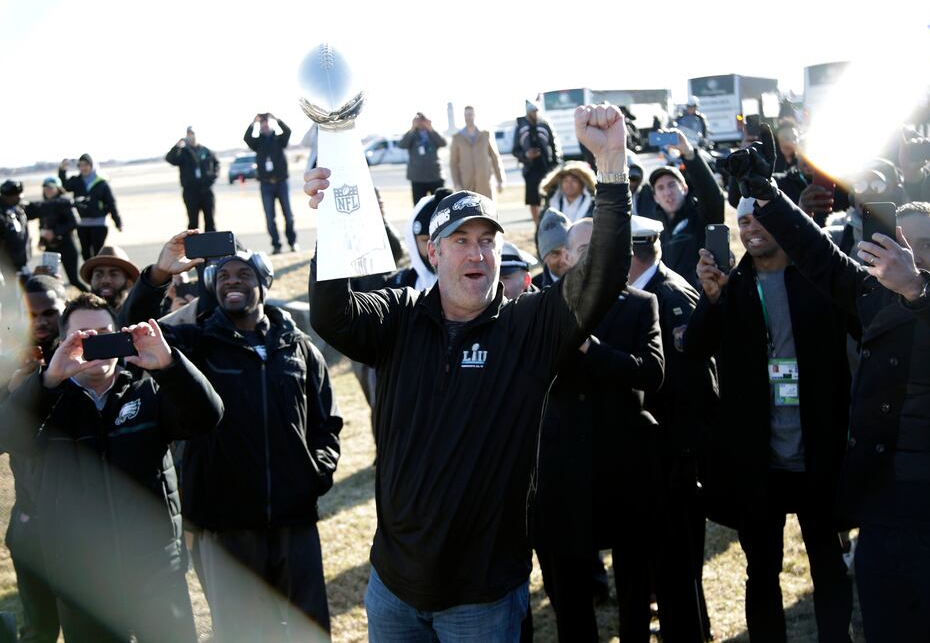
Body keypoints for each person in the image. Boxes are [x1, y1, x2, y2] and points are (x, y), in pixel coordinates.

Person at [304, 104, 632, 641]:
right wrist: (333, 220)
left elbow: (601, 275)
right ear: (433, 252)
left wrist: (612, 164)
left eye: (487, 240)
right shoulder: (399, 318)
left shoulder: (529, 329)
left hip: (481, 599)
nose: (476, 253)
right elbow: (332, 315)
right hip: (393, 591)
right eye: (460, 240)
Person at [733, 127, 930, 641]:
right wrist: (768, 195)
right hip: (884, 508)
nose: (912, 256)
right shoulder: (874, 291)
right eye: (902, 246)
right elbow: (816, 254)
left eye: (926, 247)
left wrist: (918, 288)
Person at [121, 235, 343, 642]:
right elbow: (131, 334)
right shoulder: (195, 345)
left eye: (244, 274)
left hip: (295, 523)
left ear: (264, 282)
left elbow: (326, 424)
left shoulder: (299, 348)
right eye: (222, 275)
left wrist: (316, 475)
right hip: (226, 528)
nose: (231, 281)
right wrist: (157, 276)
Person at [0, 294, 223, 642]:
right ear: (63, 343)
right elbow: (9, 437)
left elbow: (207, 416)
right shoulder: (46, 400)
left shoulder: (145, 389)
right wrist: (48, 381)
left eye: (105, 334)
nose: (98, 345)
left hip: (156, 571)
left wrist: (169, 365)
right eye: (85, 337)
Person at [687, 196, 855, 642]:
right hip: (758, 462)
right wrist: (711, 300)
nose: (751, 228)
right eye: (743, 221)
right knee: (761, 571)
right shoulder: (732, 284)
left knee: (828, 564)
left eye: (760, 217)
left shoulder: (818, 278)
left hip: (818, 453)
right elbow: (695, 350)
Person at [532, 217, 664, 642]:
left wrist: (593, 349)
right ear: (567, 256)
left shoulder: (641, 304)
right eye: (582, 250)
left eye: (598, 247)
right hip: (564, 470)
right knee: (570, 593)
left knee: (634, 584)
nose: (590, 256)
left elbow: (652, 372)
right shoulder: (545, 306)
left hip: (624, 467)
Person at [629, 216, 717, 642]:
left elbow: (692, 388)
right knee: (672, 571)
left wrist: (682, 459)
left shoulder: (666, 296)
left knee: (677, 571)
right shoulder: (654, 289)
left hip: (673, 462)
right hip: (660, 459)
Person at [1, 275, 66, 643]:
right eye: (31, 314)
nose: (41, 321)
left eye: (50, 312)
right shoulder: (7, 368)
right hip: (31, 519)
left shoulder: (89, 361)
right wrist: (15, 394)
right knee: (40, 627)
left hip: (85, 521)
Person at [636, 130, 725, 287]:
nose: (667, 192)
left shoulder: (701, 217)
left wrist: (689, 153)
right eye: (660, 188)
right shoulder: (651, 230)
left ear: (684, 188)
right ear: (655, 197)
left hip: (700, 298)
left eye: (672, 185)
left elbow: (712, 196)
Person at [244, 113, 297, 254]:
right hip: (266, 184)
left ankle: (292, 242)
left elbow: (288, 131)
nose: (265, 126)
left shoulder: (279, 139)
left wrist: (276, 119)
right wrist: (253, 122)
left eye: (266, 123)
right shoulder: (258, 142)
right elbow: (247, 138)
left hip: (281, 182)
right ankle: (276, 245)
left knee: (288, 215)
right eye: (262, 124)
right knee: (269, 217)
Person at [24, 177, 87, 292]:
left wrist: (55, 232)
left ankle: (95, 299)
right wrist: (41, 240)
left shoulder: (65, 202)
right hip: (50, 248)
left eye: (51, 188)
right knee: (48, 280)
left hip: (67, 245)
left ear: (58, 189)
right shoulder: (43, 205)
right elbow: (42, 224)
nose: (48, 190)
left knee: (74, 280)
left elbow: (75, 222)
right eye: (45, 188)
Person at [57, 154, 122, 260]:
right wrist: (62, 170)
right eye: (81, 165)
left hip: (99, 223)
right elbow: (64, 186)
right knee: (85, 253)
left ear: (92, 166)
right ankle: (89, 275)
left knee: (98, 252)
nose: (83, 168)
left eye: (86, 165)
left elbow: (111, 203)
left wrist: (118, 222)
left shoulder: (102, 182)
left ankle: (98, 274)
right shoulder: (76, 180)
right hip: (82, 223)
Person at [513, 101, 561, 226]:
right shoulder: (520, 127)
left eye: (536, 110)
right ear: (528, 113)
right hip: (530, 169)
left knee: (550, 196)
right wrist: (526, 156)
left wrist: (555, 163)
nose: (535, 113)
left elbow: (554, 145)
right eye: (532, 111)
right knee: (533, 200)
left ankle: (551, 223)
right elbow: (515, 150)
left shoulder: (545, 125)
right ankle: (537, 226)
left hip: (547, 167)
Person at [166, 127, 220, 232]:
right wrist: (177, 146)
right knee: (193, 222)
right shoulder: (183, 152)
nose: (192, 137)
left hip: (206, 190)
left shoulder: (206, 151)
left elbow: (216, 165)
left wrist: (212, 177)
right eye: (189, 134)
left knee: (210, 220)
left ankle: (212, 245)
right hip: (190, 191)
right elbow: (170, 159)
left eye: (193, 134)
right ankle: (194, 247)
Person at [449, 106, 505, 198]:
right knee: (468, 211)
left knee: (486, 211)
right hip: (466, 185)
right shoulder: (457, 138)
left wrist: (500, 180)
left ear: (474, 115)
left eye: (470, 114)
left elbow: (495, 158)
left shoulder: (486, 134)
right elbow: (453, 163)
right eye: (466, 115)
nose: (468, 117)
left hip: (484, 183)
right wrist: (457, 183)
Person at [400, 113, 447, 205]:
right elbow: (402, 144)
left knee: (440, 205)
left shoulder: (432, 133)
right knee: (419, 206)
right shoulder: (412, 134)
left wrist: (431, 129)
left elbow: (443, 143)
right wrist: (412, 128)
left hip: (435, 176)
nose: (421, 122)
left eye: (423, 120)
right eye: (419, 120)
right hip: (417, 178)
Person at [80, 245, 140, 314]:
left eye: (114, 275)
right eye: (98, 275)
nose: (105, 280)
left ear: (129, 283)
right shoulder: (78, 318)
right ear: (91, 281)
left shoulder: (139, 316)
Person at [0, 180, 31, 285]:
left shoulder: (18, 209)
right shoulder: (2, 215)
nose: (21, 197)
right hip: (7, 268)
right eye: (17, 195)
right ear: (7, 196)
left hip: (21, 263)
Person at [535, 208, 571, 288]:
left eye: (568, 251)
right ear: (544, 257)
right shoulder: (533, 292)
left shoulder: (591, 284)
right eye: (556, 253)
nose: (563, 259)